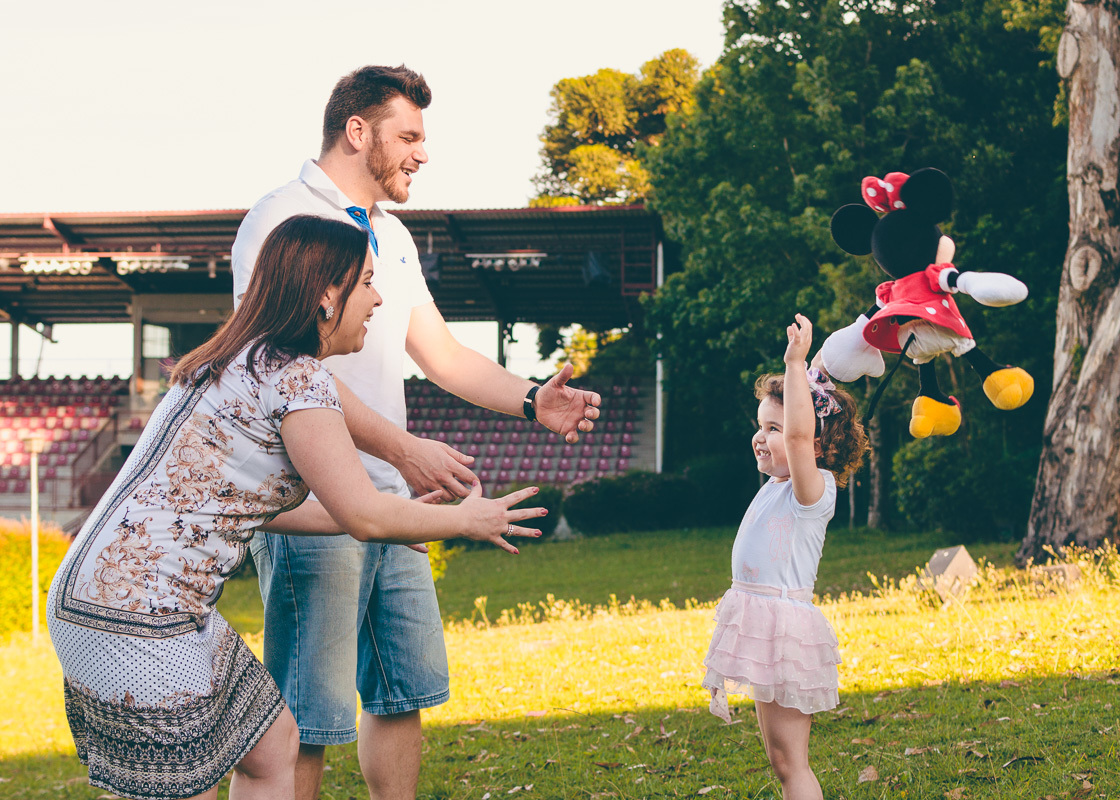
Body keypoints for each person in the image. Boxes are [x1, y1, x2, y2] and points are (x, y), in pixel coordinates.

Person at [46, 214, 545, 800]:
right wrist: (467, 518)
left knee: (273, 743)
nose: (377, 298)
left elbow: (255, 507)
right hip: (137, 615)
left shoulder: (234, 361)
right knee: (189, 786)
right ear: (327, 296)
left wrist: (396, 519)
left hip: (112, 599)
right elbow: (365, 514)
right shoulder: (296, 378)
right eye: (365, 282)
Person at [230, 65, 601, 800]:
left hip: (397, 502)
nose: (422, 153)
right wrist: (400, 447)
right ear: (357, 131)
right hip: (315, 499)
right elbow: (281, 364)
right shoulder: (283, 221)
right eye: (409, 135)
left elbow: (441, 353)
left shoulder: (391, 236)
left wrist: (533, 400)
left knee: (403, 689)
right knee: (310, 713)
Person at [702, 314, 868, 800]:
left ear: (817, 442)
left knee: (792, 762)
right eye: (760, 426)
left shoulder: (810, 491)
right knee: (780, 759)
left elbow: (797, 439)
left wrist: (796, 365)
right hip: (762, 623)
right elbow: (797, 432)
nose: (762, 437)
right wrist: (810, 370)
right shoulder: (777, 487)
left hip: (784, 630)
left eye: (774, 427)